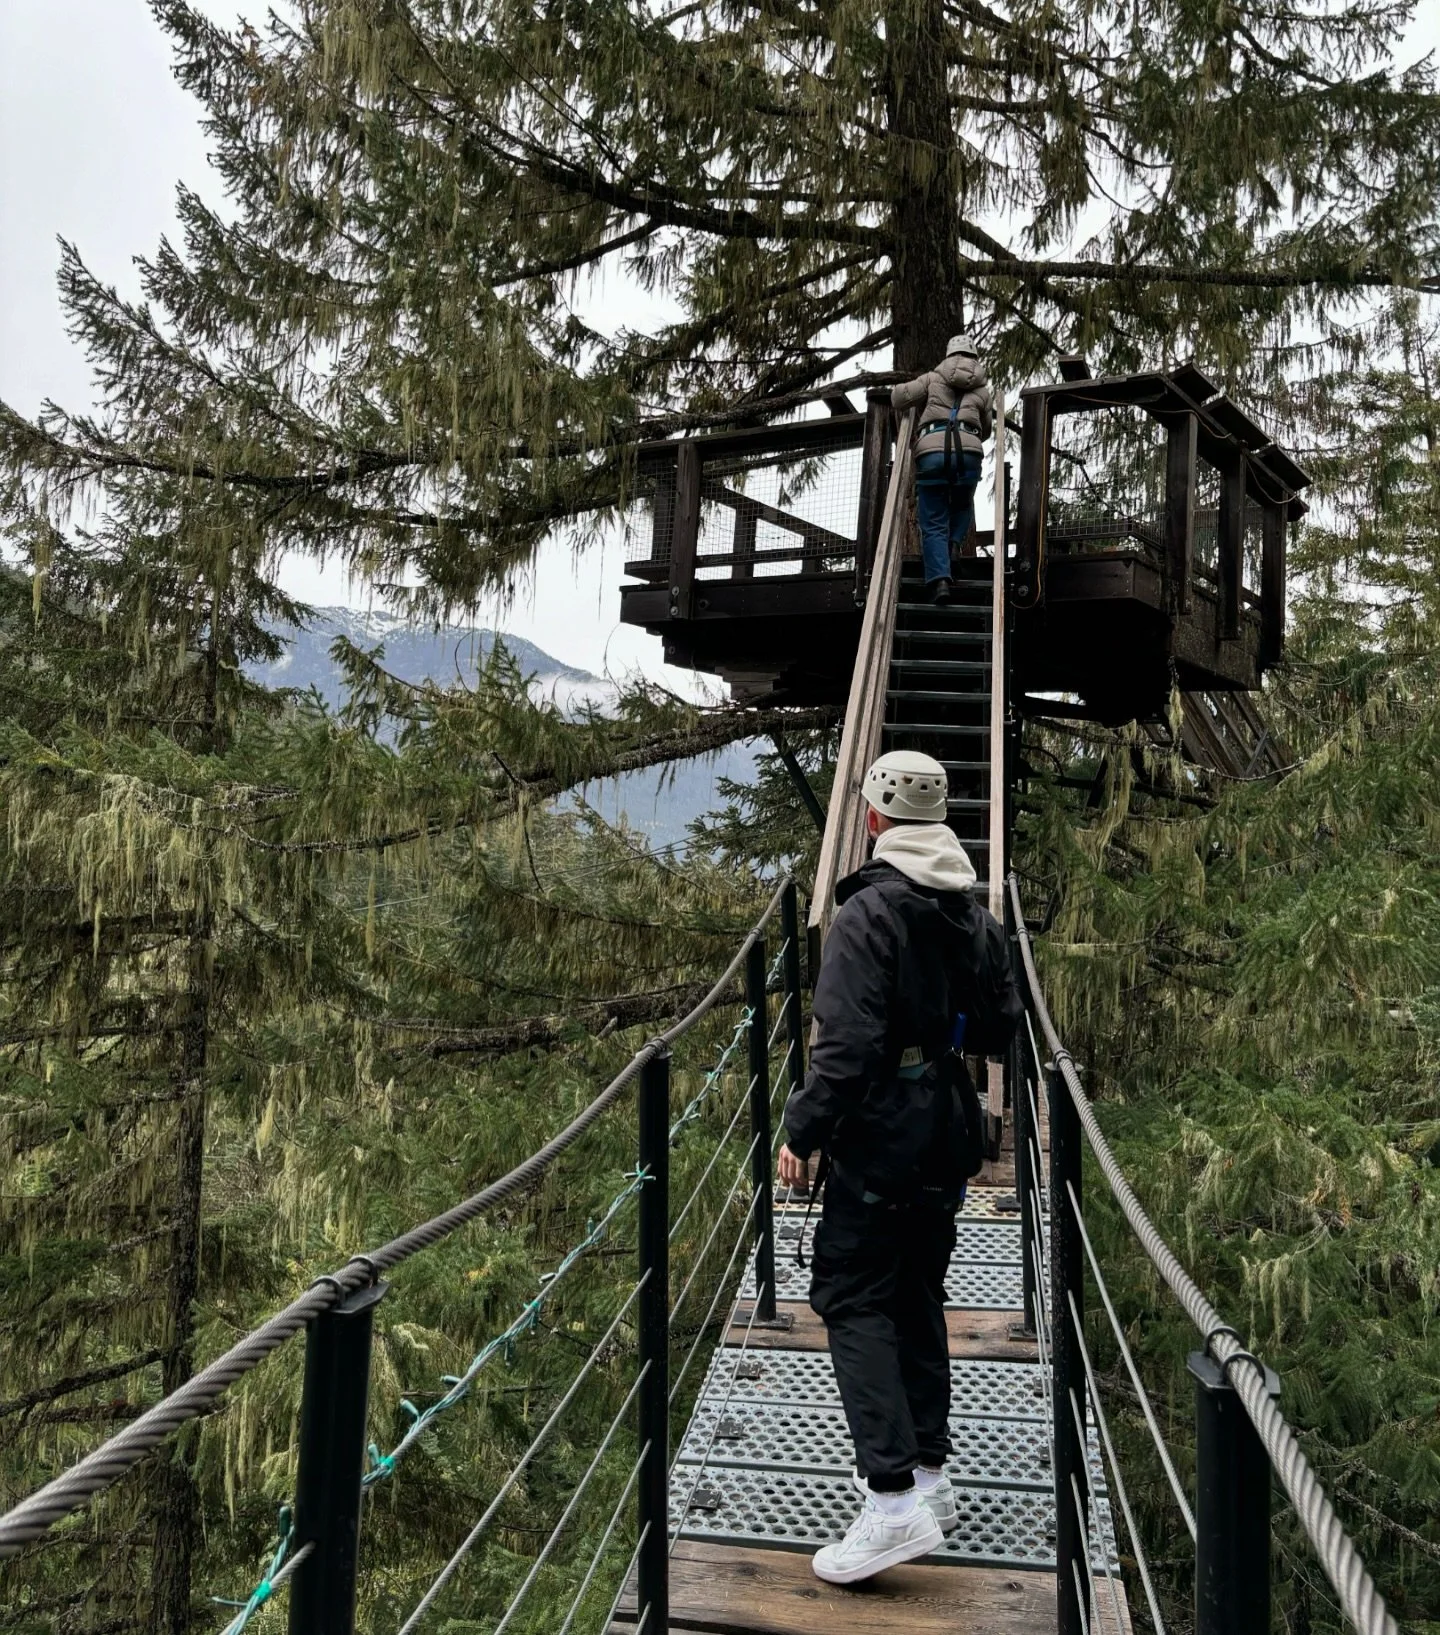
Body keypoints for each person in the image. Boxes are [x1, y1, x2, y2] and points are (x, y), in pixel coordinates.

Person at [777, 749, 1021, 1585]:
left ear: (875, 821)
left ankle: (889, 1502)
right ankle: (927, 1473)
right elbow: (1001, 1025)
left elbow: (841, 1051)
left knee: (852, 1292)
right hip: (948, 1132)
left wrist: (802, 1131)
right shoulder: (973, 917)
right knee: (917, 1291)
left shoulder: (867, 916)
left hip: (881, 1134)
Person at [891, 334, 995, 605]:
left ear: (948, 355)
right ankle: (954, 546)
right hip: (969, 454)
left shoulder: (932, 378)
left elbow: (899, 398)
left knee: (934, 517)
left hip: (932, 452)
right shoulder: (983, 390)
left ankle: (939, 582)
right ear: (974, 358)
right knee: (962, 503)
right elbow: (985, 429)